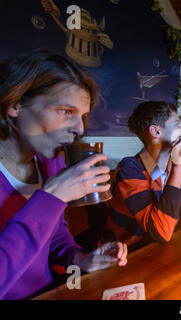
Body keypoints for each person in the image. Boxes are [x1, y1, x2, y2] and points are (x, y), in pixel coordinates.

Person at [0, 49, 127, 300]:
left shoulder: (51, 165)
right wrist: (52, 196)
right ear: (15, 104)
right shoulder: (54, 179)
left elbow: (55, 235)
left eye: (82, 116)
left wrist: (81, 259)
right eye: (65, 111)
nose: (79, 128)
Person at [105, 101, 181, 250]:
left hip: (162, 249)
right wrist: (178, 167)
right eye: (177, 125)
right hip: (127, 255)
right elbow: (161, 231)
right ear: (156, 131)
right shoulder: (130, 169)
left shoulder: (176, 166)